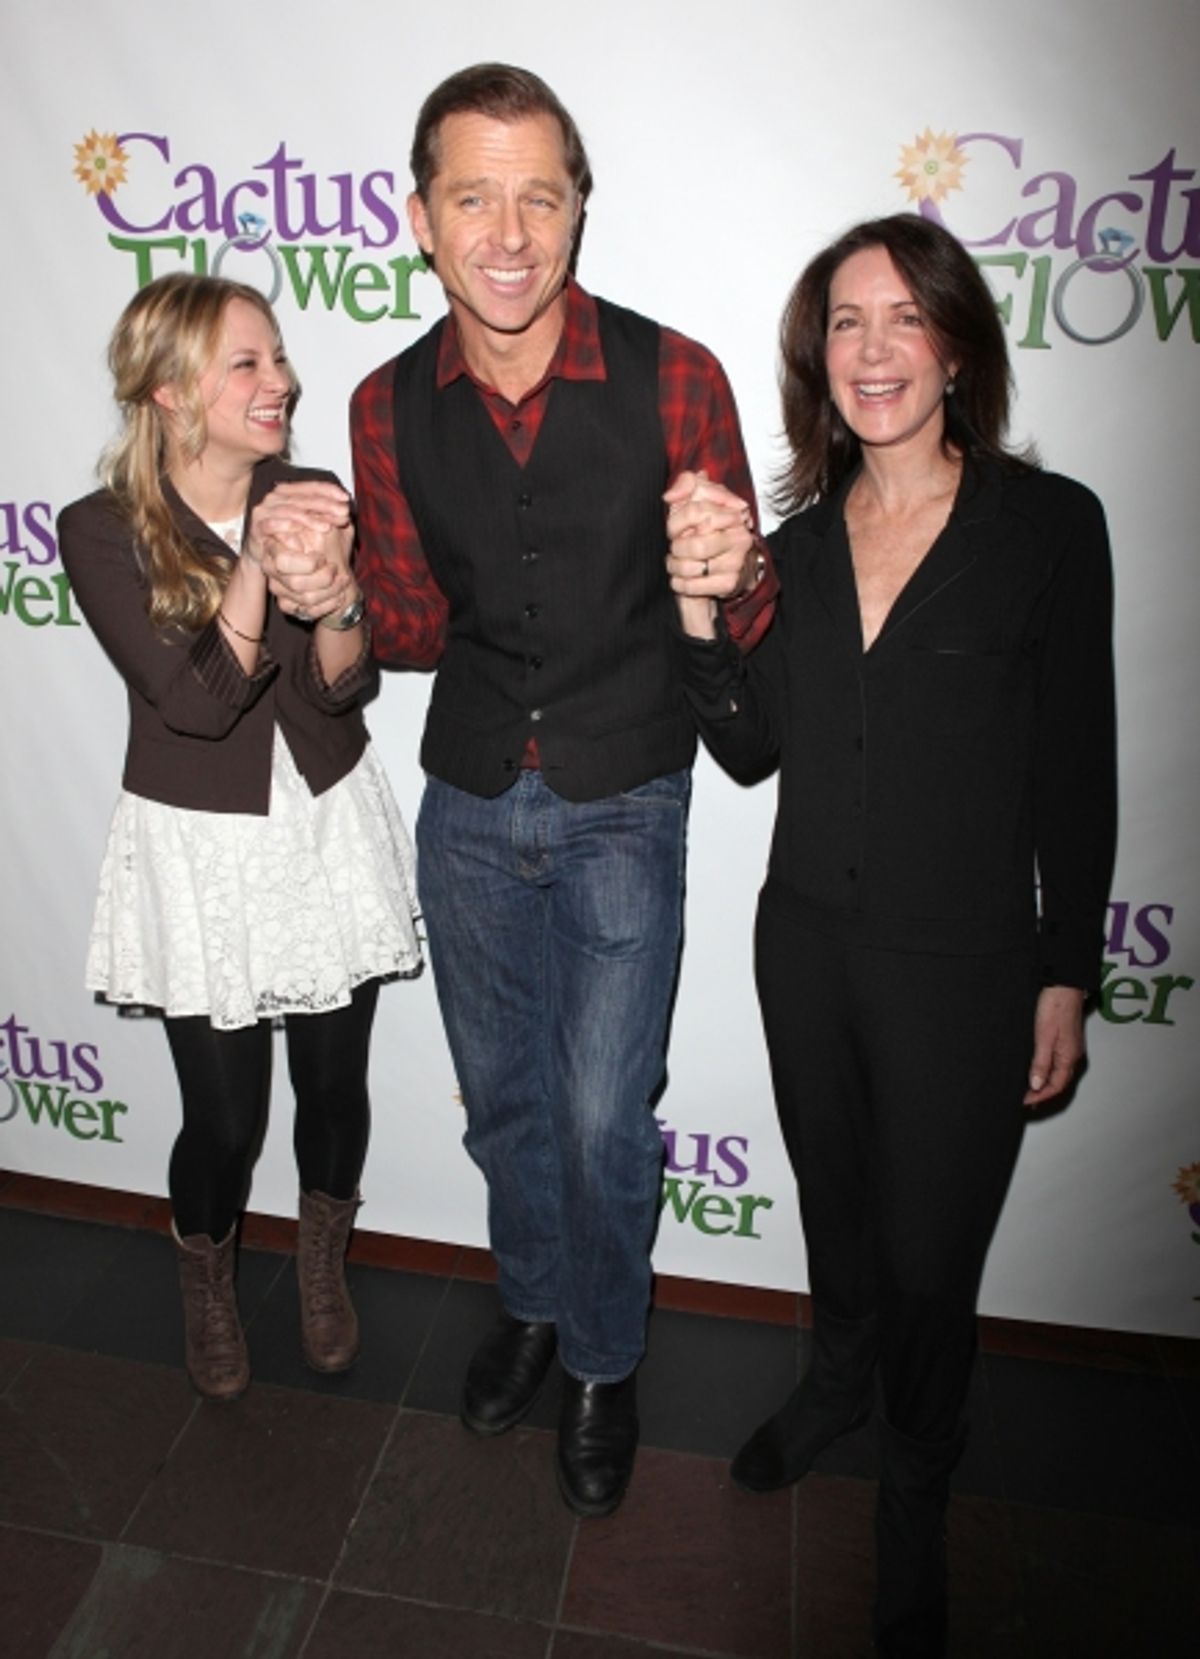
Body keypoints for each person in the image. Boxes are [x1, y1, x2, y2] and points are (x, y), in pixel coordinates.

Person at [265, 62, 771, 1517]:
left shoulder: (677, 375)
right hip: (473, 800)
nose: (507, 229)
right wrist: (331, 595)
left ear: (578, 212)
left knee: (608, 1113)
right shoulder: (383, 402)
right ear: (420, 218)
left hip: (628, 791)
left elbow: (743, 631)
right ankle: (536, 1306)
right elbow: (402, 640)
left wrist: (731, 571)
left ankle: (605, 1358)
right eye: (472, 195)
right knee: (503, 1104)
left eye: (537, 195)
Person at [666, 214, 1116, 1654]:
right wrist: (700, 620)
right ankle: (837, 1377)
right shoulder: (791, 550)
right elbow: (749, 753)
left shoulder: (1049, 527)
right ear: (820, 359)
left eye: (902, 319)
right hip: (805, 946)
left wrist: (1069, 966)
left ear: (956, 344)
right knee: (841, 1211)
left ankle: (916, 1486)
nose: (873, 350)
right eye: (846, 324)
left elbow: (1076, 766)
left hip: (966, 964)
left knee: (936, 1258)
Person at [58, 273, 422, 1403]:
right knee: (223, 1119)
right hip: (199, 850)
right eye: (250, 365)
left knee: (332, 1090)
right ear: (171, 392)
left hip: (320, 829)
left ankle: (321, 1268)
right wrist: (264, 564)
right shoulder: (100, 530)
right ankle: (207, 1281)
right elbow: (199, 703)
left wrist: (343, 598)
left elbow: (340, 696)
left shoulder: (312, 488)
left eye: (280, 359)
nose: (285, 383)